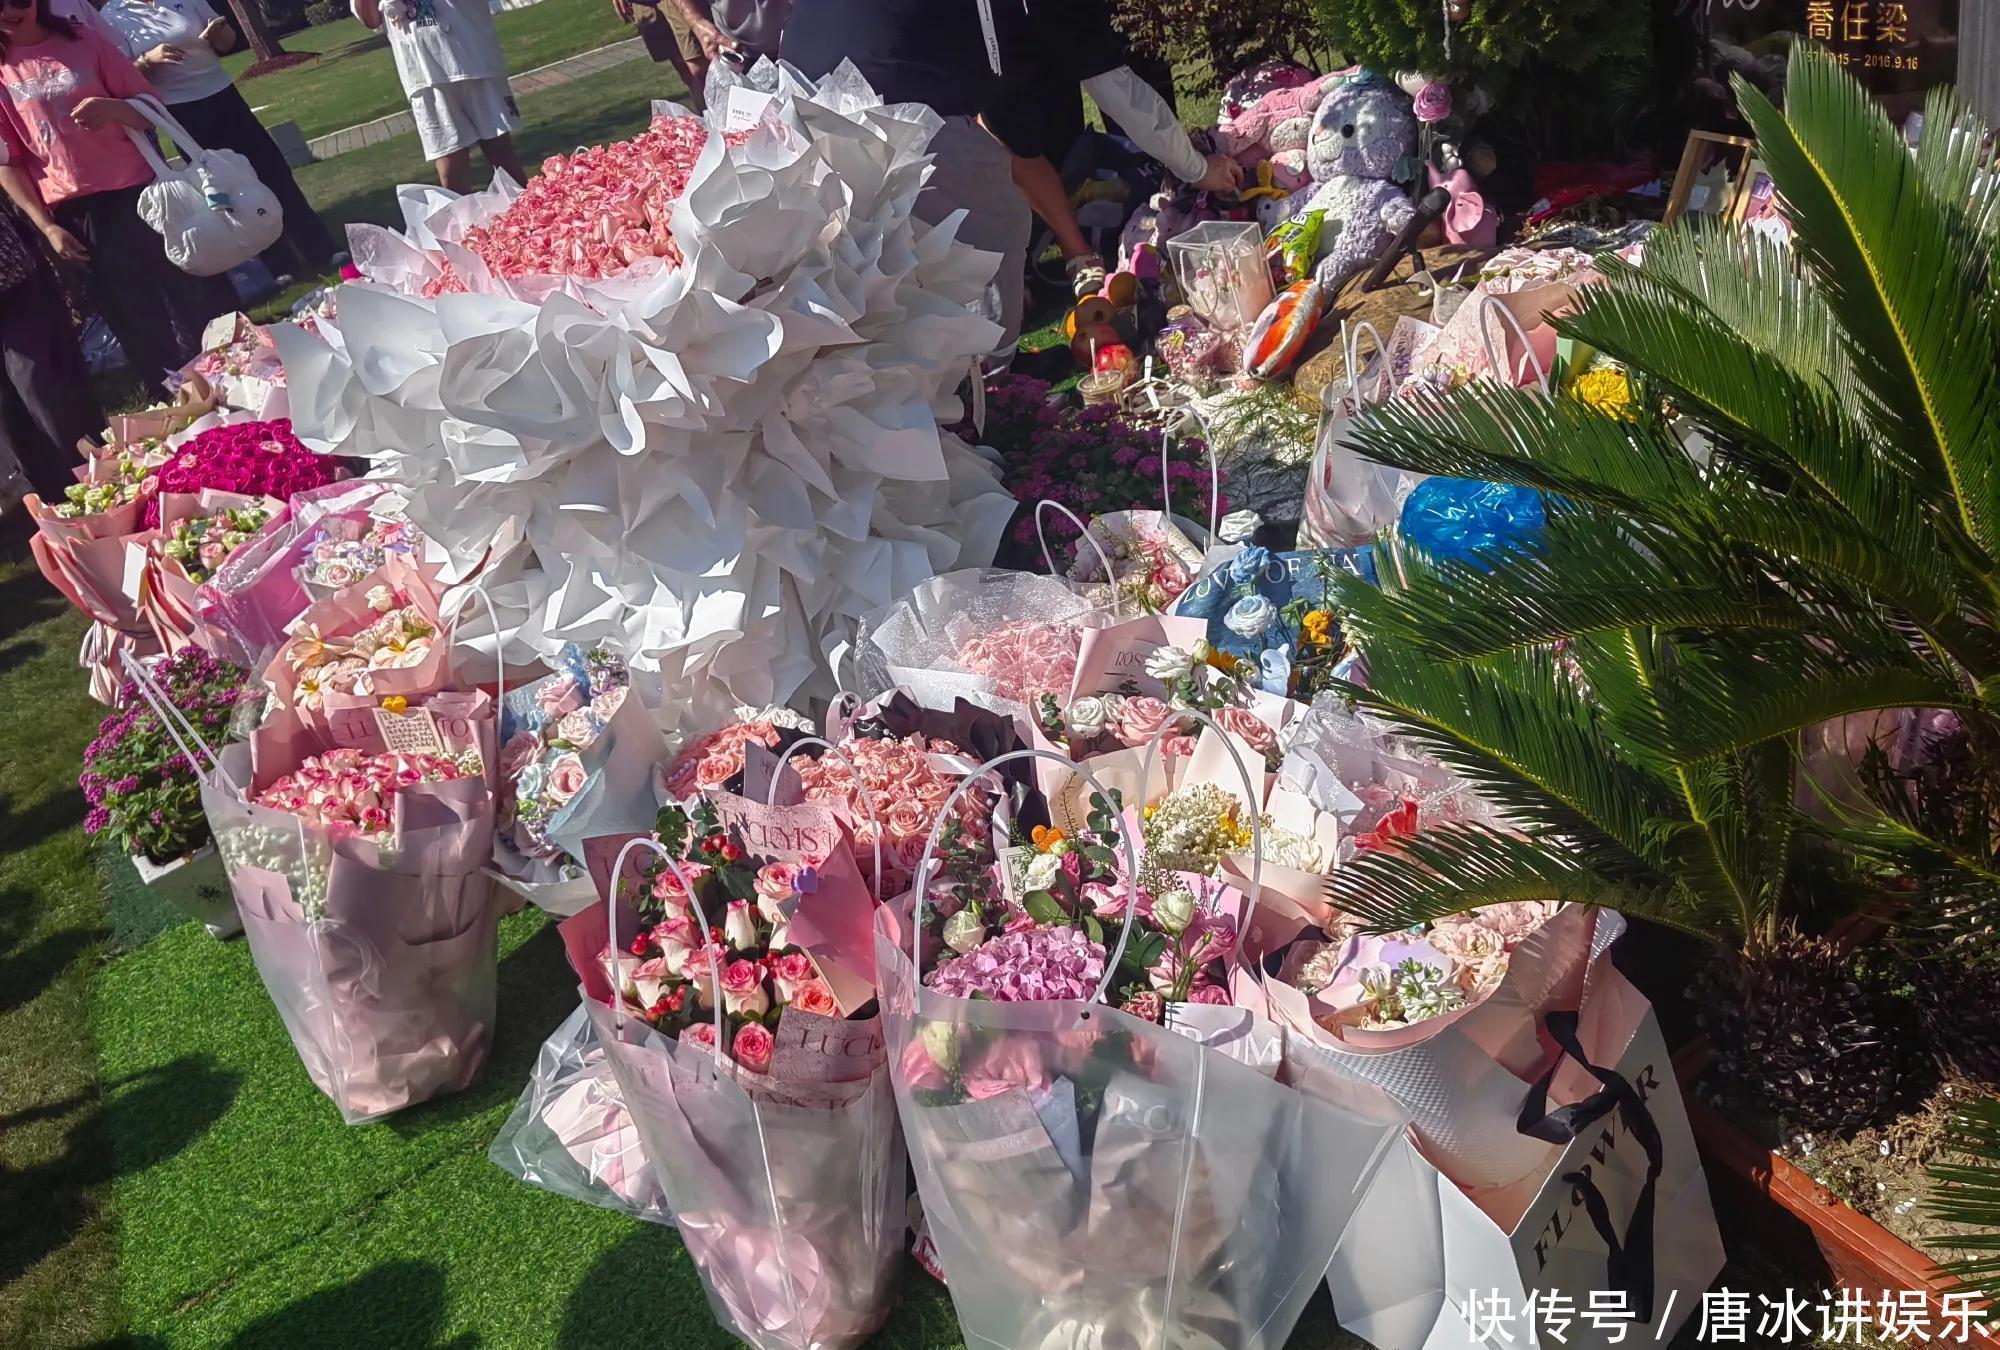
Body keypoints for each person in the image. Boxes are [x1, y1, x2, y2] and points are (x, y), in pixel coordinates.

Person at [0, 0, 234, 397]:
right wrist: (47, 226)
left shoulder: (82, 41)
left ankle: (232, 379)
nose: (10, 10)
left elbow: (152, 109)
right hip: (76, 214)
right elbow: (9, 163)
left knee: (192, 296)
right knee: (134, 318)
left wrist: (115, 109)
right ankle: (175, 400)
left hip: (141, 192)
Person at [782, 0, 1037, 364]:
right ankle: (990, 370)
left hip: (801, 89)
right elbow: (999, 62)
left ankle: (915, 371)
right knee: (992, 226)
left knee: (865, 253)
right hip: (890, 95)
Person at [985, 1, 1239, 297]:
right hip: (983, 55)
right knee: (1021, 133)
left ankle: (1137, 200)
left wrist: (1188, 164)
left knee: (1065, 141)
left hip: (1016, 31)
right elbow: (1109, 84)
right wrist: (1197, 168)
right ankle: (1040, 255)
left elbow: (1103, 69)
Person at [95, 0, 342, 279]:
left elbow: (227, 42)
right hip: (180, 111)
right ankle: (279, 265)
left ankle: (320, 248)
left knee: (272, 170)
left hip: (222, 93)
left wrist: (218, 33)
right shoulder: (113, 16)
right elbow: (122, 77)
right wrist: (147, 60)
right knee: (224, 185)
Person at [352, 0, 525, 194]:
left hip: (474, 58)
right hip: (423, 75)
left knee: (502, 155)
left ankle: (529, 211)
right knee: (450, 169)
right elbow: (371, 20)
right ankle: (462, 215)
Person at [0, 201, 102, 501]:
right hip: (13, 281)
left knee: (36, 383)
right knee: (33, 386)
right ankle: (72, 485)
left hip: (12, 277)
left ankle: (77, 480)